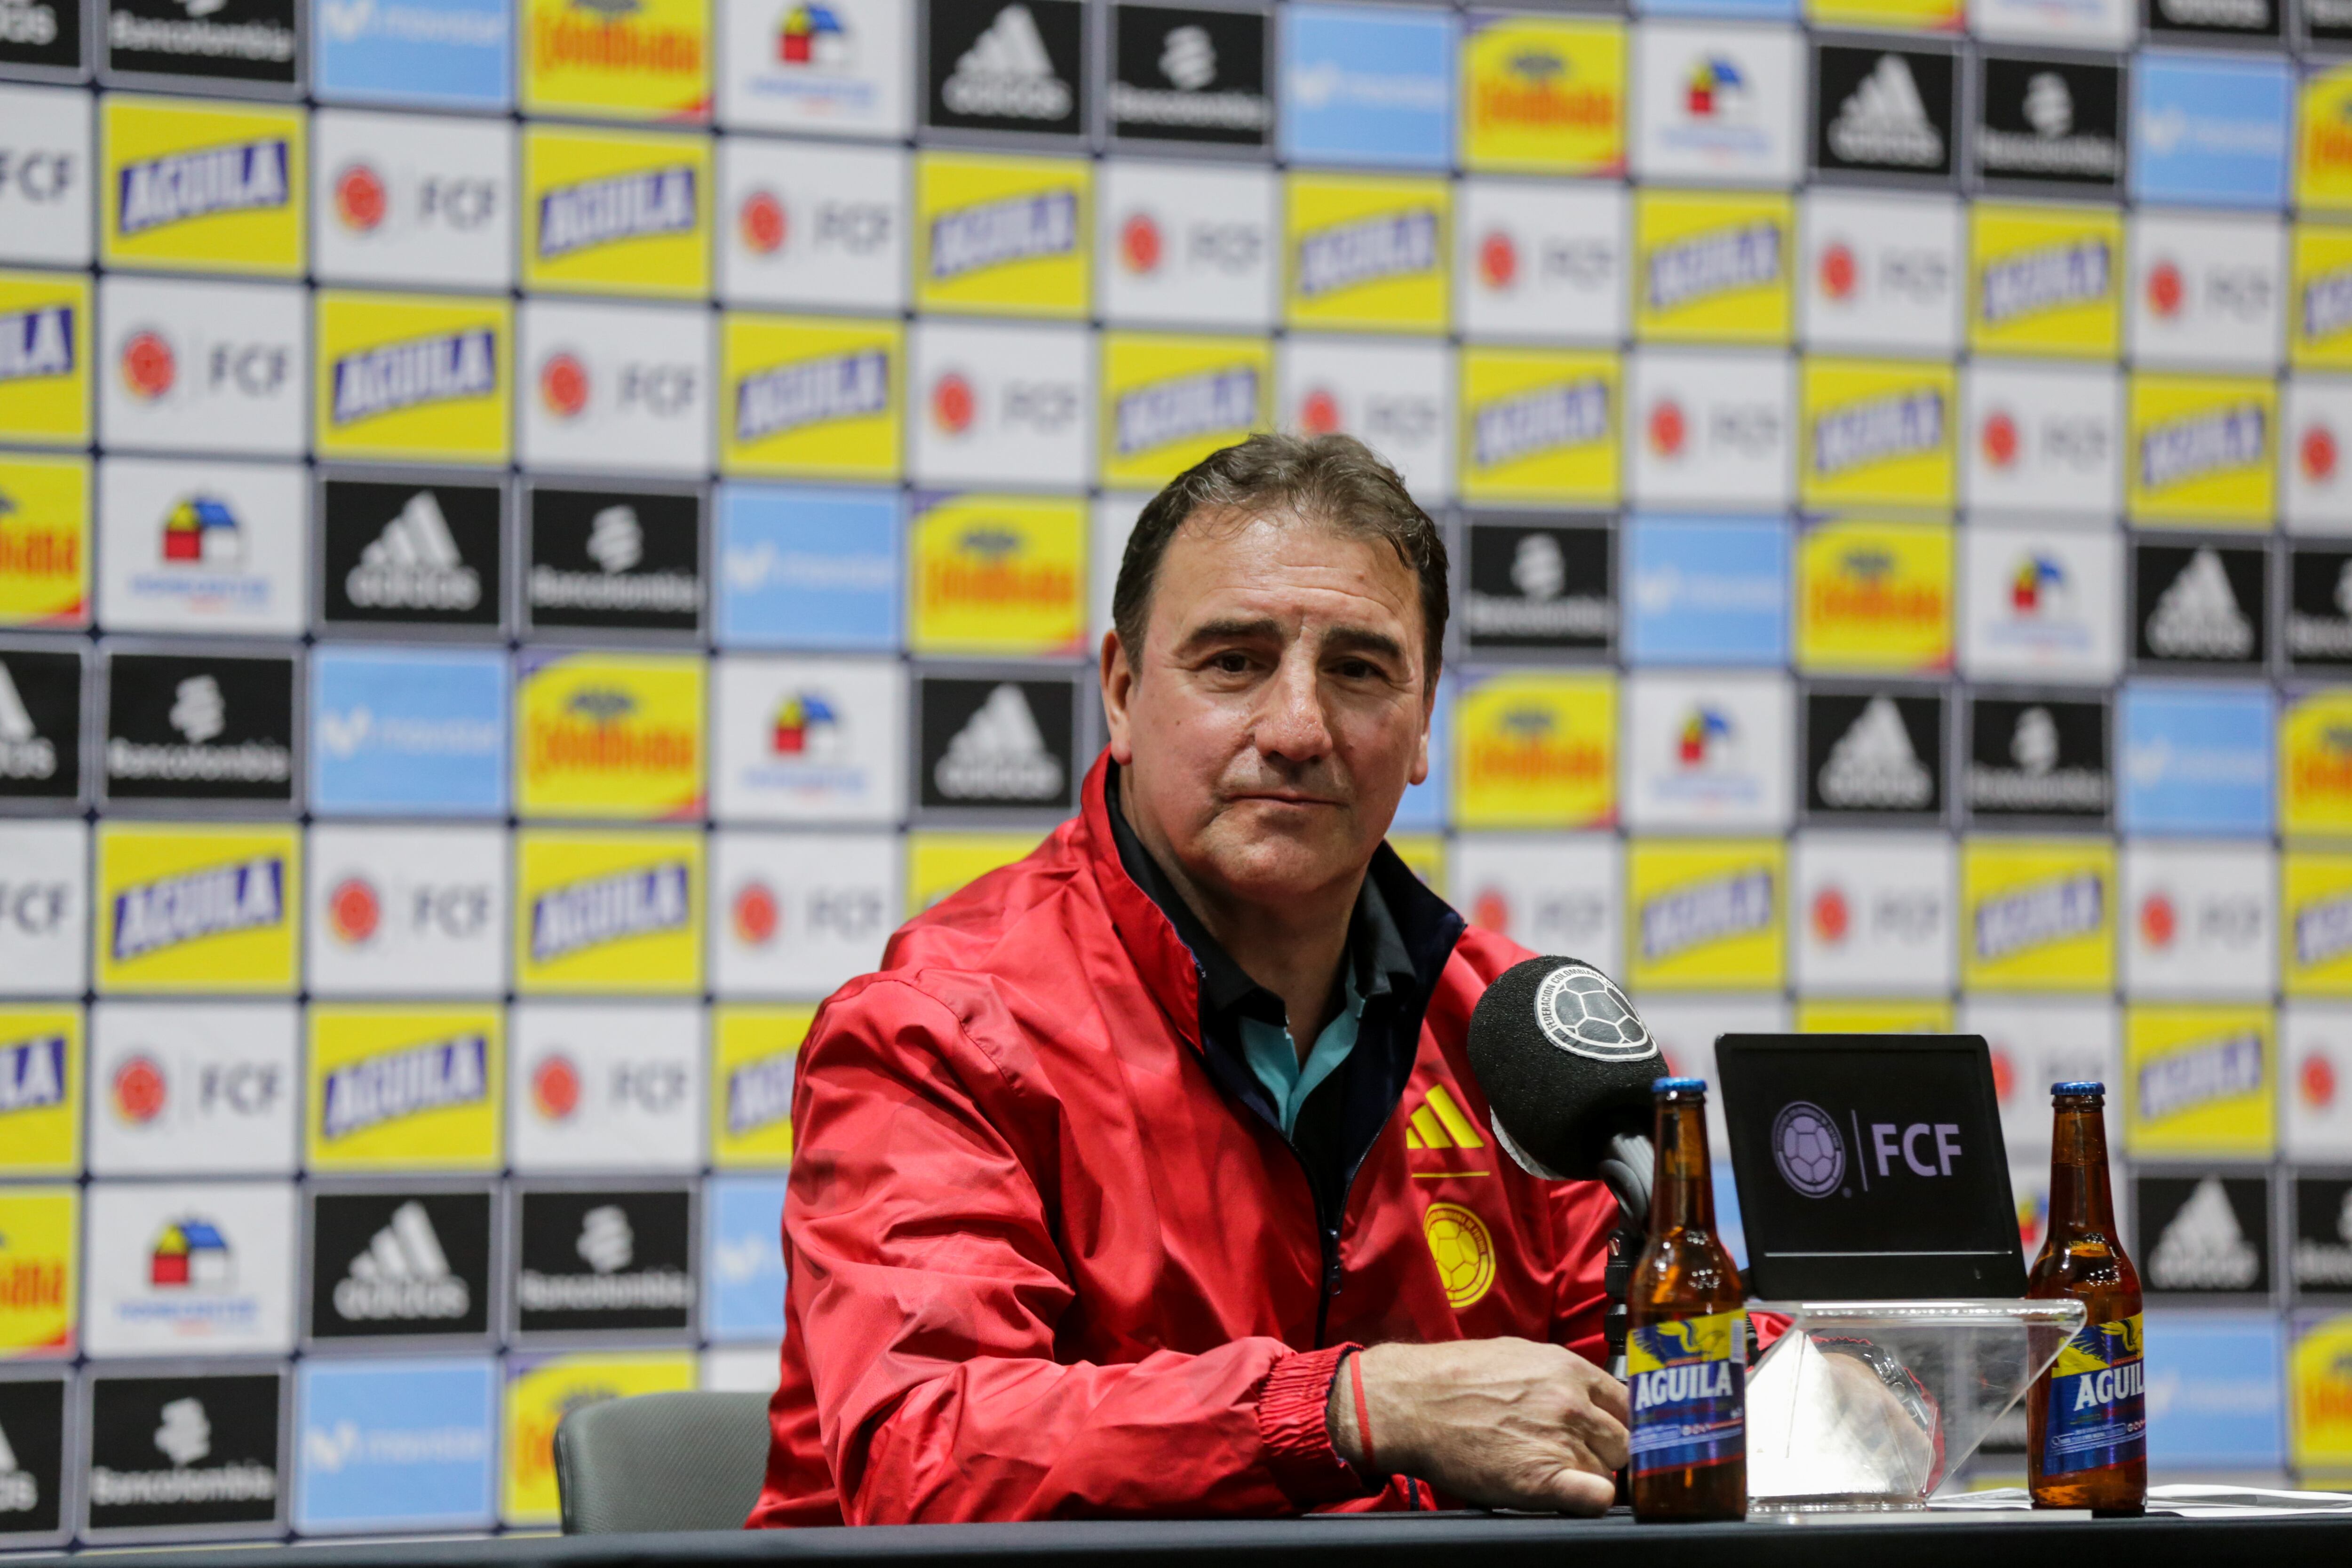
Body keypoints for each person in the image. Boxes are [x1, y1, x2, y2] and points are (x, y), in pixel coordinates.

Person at [748, 433, 1627, 1526]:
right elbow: (926, 1448)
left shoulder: (1507, 1026)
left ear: (1422, 721)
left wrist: (1803, 1377)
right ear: (1121, 693)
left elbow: (1677, 1367)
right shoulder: (943, 1028)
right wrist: (1349, 1407)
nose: (1298, 727)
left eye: (1358, 669)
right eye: (1233, 662)